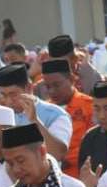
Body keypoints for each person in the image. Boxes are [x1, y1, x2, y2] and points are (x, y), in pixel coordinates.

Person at [0, 64, 71, 162]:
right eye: (4, 95)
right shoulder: (1, 115)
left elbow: (58, 154)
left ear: (29, 88)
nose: (8, 101)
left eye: (13, 94)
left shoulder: (55, 114)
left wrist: (35, 121)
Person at [39, 46, 94, 178]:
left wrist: (64, 158)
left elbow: (94, 143)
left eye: (57, 85)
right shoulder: (43, 110)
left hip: (82, 176)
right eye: (47, 86)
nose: (52, 91)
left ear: (71, 79)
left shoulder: (90, 106)